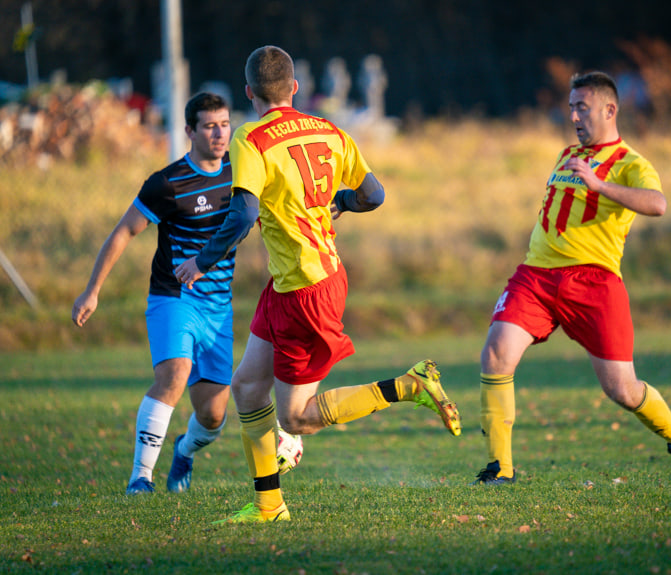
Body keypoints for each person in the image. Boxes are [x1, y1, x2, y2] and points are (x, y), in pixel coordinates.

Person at [173, 45, 461, 524]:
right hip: (291, 283)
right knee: (246, 388)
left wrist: (202, 260)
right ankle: (269, 506)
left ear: (248, 93)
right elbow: (374, 195)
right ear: (295, 89)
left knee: (297, 418)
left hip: (308, 287)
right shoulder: (329, 129)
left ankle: (409, 385)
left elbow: (244, 212)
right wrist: (341, 201)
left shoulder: (252, 137)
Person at [471, 71, 671, 485]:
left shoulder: (632, 163)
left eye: (582, 107)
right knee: (496, 353)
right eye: (571, 108)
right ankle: (500, 469)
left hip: (594, 283)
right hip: (537, 276)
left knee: (622, 389)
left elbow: (658, 204)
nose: (575, 116)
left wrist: (600, 185)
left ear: (609, 110)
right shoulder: (566, 154)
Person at [72, 93, 236, 495]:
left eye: (225, 124)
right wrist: (92, 291)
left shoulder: (241, 173)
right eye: (210, 125)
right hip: (174, 297)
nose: (219, 133)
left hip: (219, 308)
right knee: (174, 374)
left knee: (213, 417)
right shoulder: (167, 183)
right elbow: (124, 231)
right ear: (189, 131)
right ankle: (139, 478)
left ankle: (185, 449)